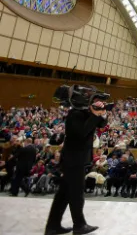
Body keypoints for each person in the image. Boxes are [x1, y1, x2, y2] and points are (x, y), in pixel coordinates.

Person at [45, 101, 107, 235]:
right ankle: (79, 225)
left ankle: (53, 226)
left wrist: (101, 112)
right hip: (73, 160)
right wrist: (95, 114)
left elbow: (101, 124)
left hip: (75, 160)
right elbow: (82, 133)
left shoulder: (86, 114)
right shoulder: (76, 114)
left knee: (64, 194)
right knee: (77, 194)